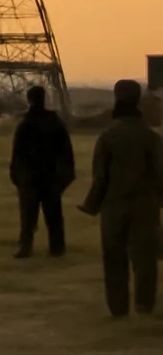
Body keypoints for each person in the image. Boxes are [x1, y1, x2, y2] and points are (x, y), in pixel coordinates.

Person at [79, 79, 163, 318]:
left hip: (113, 207)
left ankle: (118, 307)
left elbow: (100, 177)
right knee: (145, 259)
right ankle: (144, 305)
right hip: (145, 207)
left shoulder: (107, 136)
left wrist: (91, 204)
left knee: (114, 257)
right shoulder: (151, 137)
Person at [9, 85, 75, 258]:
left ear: (29, 99)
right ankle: (57, 247)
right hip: (51, 177)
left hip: (31, 177)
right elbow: (66, 152)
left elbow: (17, 153)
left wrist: (16, 175)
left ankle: (26, 247)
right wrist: (65, 177)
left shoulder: (26, 124)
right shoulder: (55, 123)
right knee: (54, 216)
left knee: (28, 216)